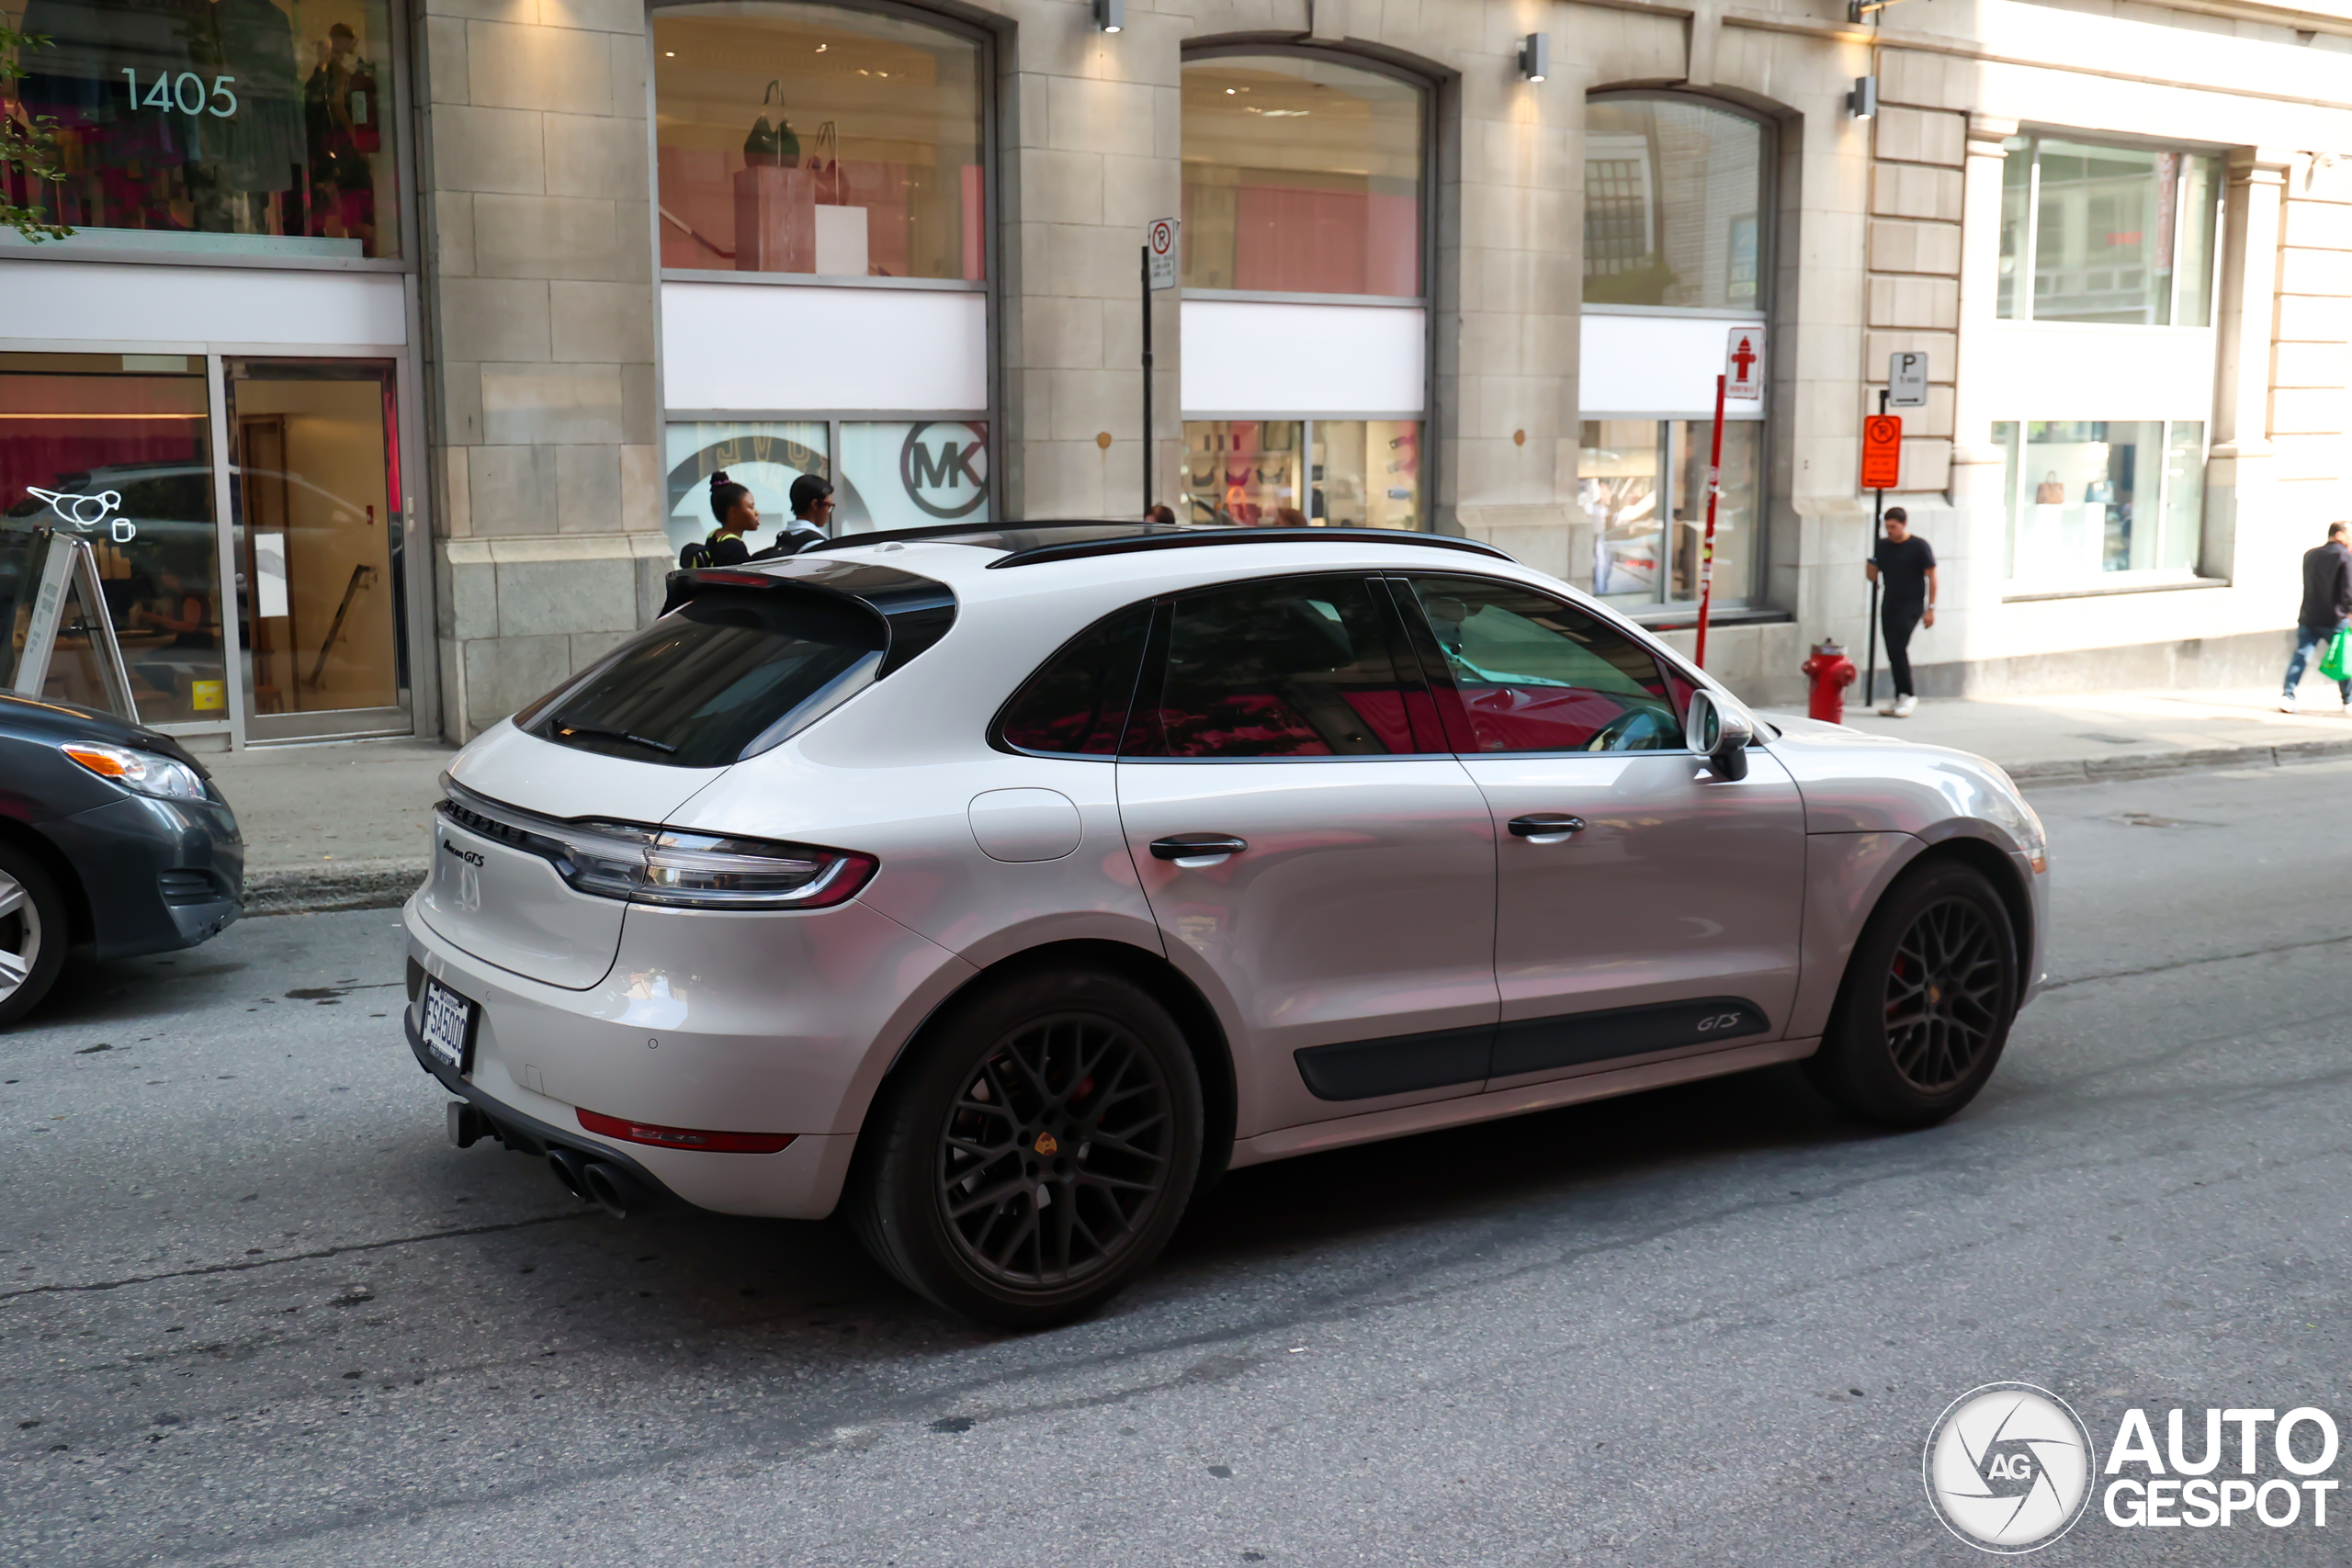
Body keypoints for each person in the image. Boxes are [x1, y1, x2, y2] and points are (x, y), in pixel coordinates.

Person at [1864, 505, 1936, 717]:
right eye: (1887, 527)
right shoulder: (1883, 546)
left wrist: (1931, 608)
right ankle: (1900, 696)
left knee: (1898, 644)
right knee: (1892, 650)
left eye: (1894, 527)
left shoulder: (1918, 546)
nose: (1890, 531)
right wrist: (1870, 570)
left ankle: (1908, 694)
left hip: (1912, 604)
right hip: (1890, 602)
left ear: (1904, 524)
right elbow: (1874, 578)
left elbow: (1932, 577)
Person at [2282, 521, 2352, 712]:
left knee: (2301, 655)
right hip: (2335, 619)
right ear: (2339, 535)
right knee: (2344, 657)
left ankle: (2288, 695)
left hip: (2309, 615)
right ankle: (2348, 700)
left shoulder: (2311, 555)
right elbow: (2347, 592)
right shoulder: (2345, 557)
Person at [678, 471, 759, 569]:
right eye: (751, 507)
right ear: (734, 512)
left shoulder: (714, 536)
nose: (756, 512)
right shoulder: (734, 548)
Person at [752, 474, 836, 559]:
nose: (829, 512)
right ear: (814, 504)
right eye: (829, 506)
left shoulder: (786, 536)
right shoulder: (817, 545)